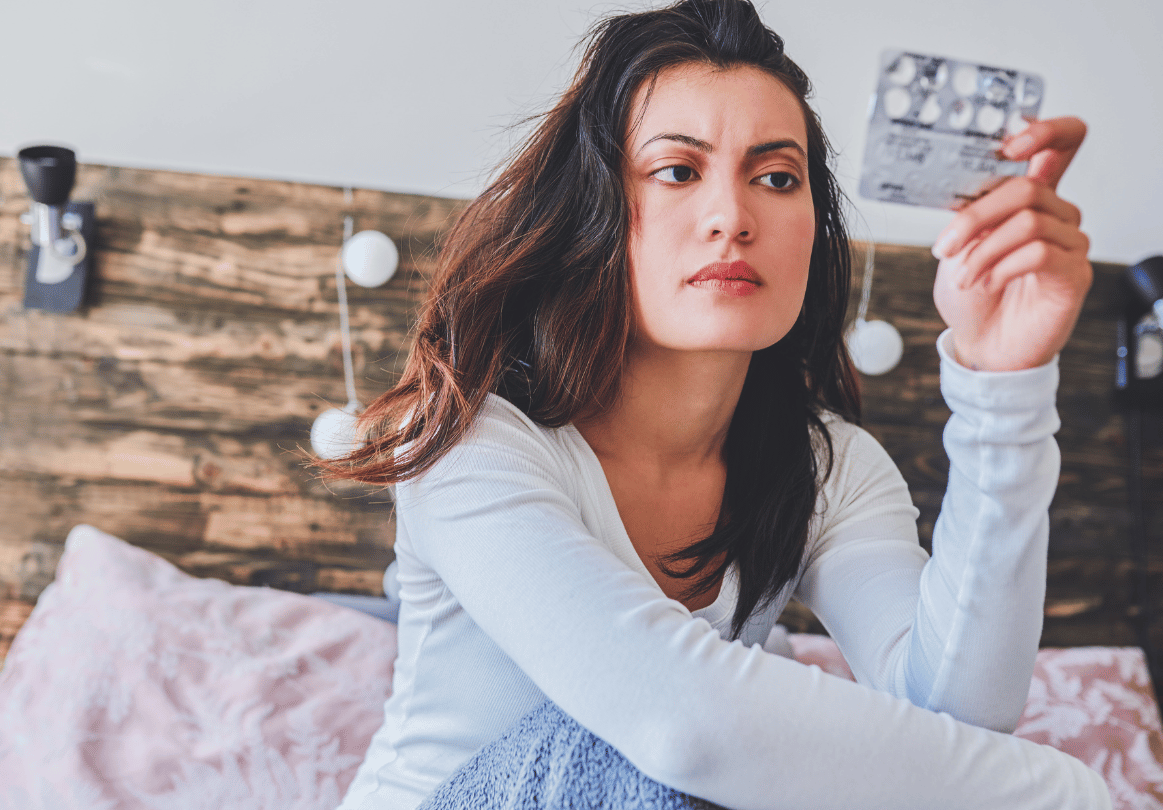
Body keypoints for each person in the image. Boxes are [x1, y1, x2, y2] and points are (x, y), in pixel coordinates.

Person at [318, 1, 1106, 808]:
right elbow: (678, 720)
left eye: (776, 178)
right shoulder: (473, 439)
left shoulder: (827, 467)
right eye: (678, 171)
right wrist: (1065, 793)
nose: (733, 218)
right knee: (653, 738)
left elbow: (956, 718)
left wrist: (1002, 382)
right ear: (596, 210)